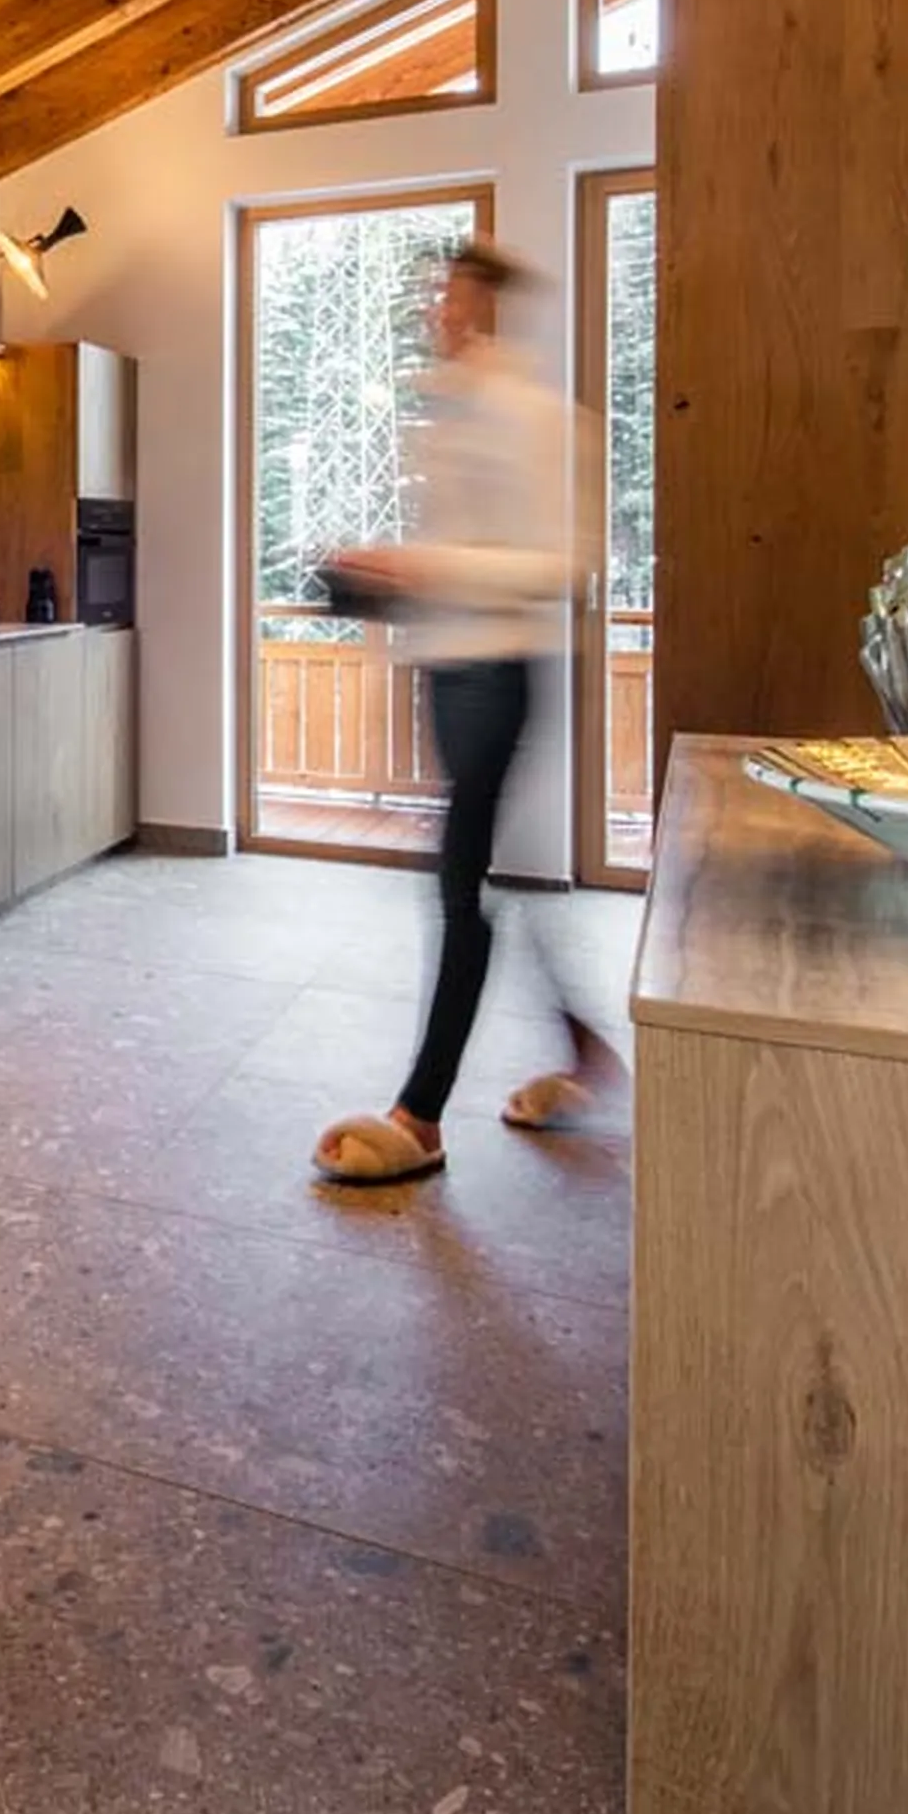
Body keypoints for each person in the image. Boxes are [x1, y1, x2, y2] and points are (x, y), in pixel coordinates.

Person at [308, 237, 611, 1186]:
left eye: (449, 297)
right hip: (454, 670)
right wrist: (383, 571)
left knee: (457, 883)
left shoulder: (541, 420)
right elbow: (462, 550)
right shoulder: (453, 415)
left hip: (500, 673)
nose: (434, 312)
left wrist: (422, 566)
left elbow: (561, 564)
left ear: (485, 306)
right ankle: (586, 1051)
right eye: (435, 298)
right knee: (483, 881)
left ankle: (422, 1112)